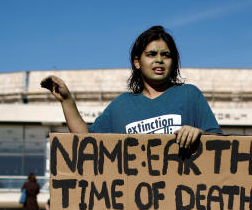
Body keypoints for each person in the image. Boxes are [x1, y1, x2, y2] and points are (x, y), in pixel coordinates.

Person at [41, 26, 221, 147]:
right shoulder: (122, 105)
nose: (159, 60)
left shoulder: (189, 94)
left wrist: (200, 134)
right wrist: (66, 100)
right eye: (151, 54)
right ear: (137, 62)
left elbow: (222, 143)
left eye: (166, 55)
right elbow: (86, 139)